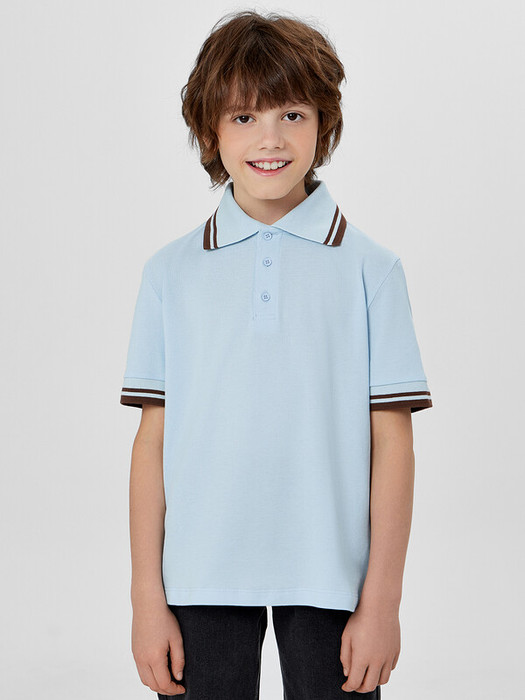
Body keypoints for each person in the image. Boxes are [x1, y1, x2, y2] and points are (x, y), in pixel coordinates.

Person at [120, 9, 433, 699]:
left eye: (292, 114)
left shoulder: (371, 269)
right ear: (210, 131)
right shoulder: (170, 273)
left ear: (323, 124)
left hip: (335, 579)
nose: (270, 139)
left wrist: (382, 602)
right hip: (197, 577)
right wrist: (146, 597)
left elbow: (393, 442)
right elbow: (152, 441)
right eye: (243, 117)